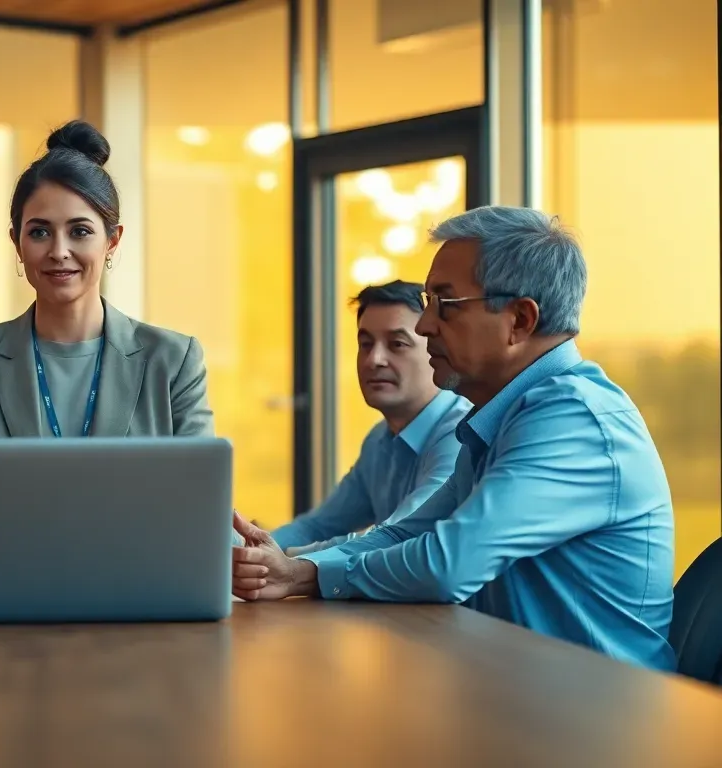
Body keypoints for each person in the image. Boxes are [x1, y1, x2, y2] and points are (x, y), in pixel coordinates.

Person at [231, 206, 676, 671]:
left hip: (603, 719)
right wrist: (294, 568)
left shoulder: (573, 419)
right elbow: (411, 530)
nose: (424, 326)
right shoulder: (505, 416)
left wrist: (307, 575)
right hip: (520, 701)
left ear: (520, 320)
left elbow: (449, 563)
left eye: (445, 304)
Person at [0, 120, 214, 551]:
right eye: (39, 232)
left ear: (112, 241)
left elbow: (203, 512)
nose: (58, 250)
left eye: (80, 231)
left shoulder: (173, 361)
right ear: (17, 242)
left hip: (137, 599)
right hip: (8, 603)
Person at [262, 281, 469, 556]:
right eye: (365, 344)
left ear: (437, 350)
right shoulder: (380, 439)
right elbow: (319, 526)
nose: (374, 360)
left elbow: (401, 535)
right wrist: (251, 548)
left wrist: (287, 557)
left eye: (397, 344)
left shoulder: (461, 434)